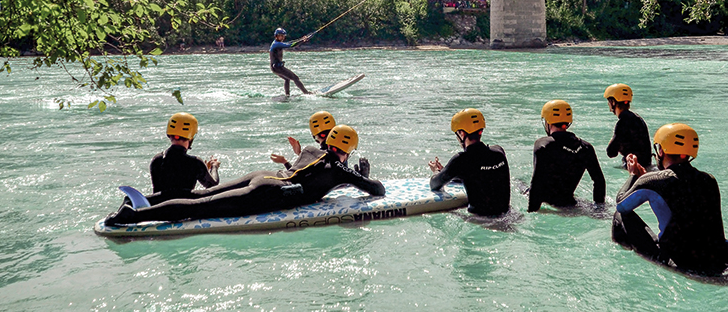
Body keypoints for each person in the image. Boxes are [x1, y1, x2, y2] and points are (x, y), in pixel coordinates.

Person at [104, 125, 385, 225]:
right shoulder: (339, 169)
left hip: (264, 175)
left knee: (201, 195)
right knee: (200, 208)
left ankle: (147, 201)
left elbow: (301, 170)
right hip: (269, 192)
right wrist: (362, 174)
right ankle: (133, 216)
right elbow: (377, 190)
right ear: (348, 149)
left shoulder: (311, 148)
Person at [612, 123, 728, 275]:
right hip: (719, 260)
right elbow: (684, 198)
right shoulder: (709, 179)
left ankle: (623, 269)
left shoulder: (654, 180)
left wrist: (632, 176)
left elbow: (621, 205)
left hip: (680, 263)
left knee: (620, 217)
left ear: (661, 151)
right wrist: (644, 180)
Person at [428, 108, 510, 216]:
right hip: (509, 215)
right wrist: (445, 170)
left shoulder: (461, 160)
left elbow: (434, 184)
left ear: (462, 134)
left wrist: (437, 172)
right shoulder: (499, 152)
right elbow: (480, 174)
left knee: (453, 214)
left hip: (483, 222)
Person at [528, 100, 606, 212]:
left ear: (547, 121)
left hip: (550, 206)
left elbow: (536, 184)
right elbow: (599, 181)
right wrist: (599, 210)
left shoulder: (543, 145)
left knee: (518, 184)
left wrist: (531, 213)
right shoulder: (586, 147)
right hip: (570, 203)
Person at [147, 113, 220, 203]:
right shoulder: (195, 163)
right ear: (191, 136)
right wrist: (214, 167)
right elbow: (213, 186)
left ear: (169, 134)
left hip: (158, 209)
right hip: (184, 210)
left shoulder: (157, 160)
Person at [604, 83, 652, 169]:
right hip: (646, 165)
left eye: (609, 101)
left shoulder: (623, 123)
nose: (608, 104)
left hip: (634, 168)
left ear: (613, 102)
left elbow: (611, 152)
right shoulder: (638, 119)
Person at [269, 27, 311, 96]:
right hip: (277, 68)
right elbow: (290, 45)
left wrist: (301, 39)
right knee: (295, 78)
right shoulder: (276, 44)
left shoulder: (278, 43)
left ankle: (287, 95)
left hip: (275, 68)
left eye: (283, 36)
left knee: (287, 79)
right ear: (276, 36)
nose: (282, 37)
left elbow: (290, 42)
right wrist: (302, 40)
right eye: (280, 36)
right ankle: (306, 93)